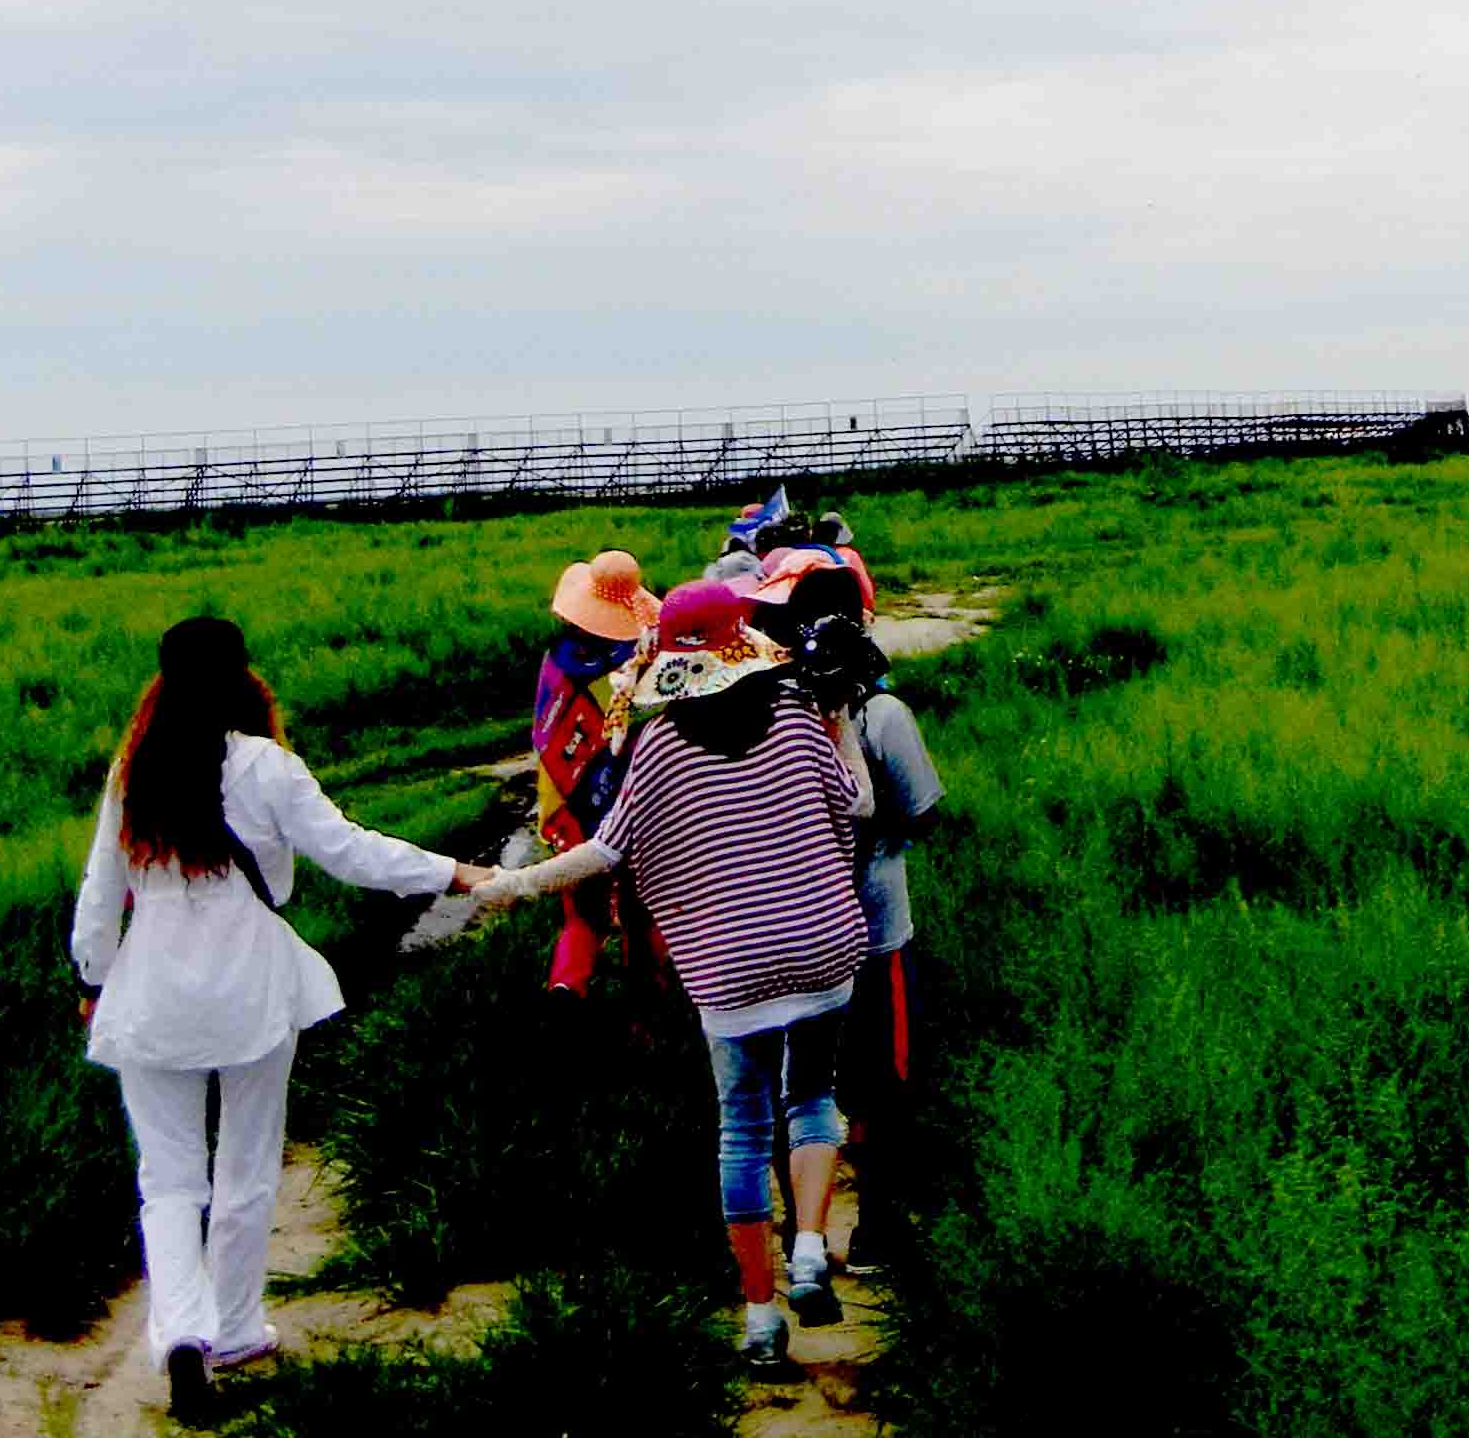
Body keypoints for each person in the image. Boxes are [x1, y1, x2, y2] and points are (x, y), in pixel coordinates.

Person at [450, 581, 873, 1379]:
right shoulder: (795, 719)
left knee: (743, 1130)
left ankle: (758, 1316)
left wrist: (508, 885)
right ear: (742, 643)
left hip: (728, 968)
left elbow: (606, 853)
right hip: (822, 948)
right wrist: (840, 723)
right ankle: (812, 1245)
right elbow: (857, 805)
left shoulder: (660, 747)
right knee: (813, 1098)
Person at [73, 616, 461, 1424]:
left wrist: (94, 979)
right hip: (250, 977)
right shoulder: (266, 766)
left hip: (152, 983)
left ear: (164, 681)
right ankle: (238, 1328)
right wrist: (451, 873)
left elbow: (100, 898)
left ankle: (181, 1334)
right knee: (246, 1166)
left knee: (168, 1179)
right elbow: (350, 852)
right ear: (243, 678)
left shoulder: (131, 771)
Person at [754, 558, 945, 1269]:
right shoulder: (883, 712)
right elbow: (922, 809)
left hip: (791, 928)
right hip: (875, 924)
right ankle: (878, 1231)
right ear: (863, 622)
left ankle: (794, 1227)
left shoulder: (773, 706)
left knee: (795, 1083)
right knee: (883, 1081)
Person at [531, 548, 657, 996]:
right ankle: (647, 1002)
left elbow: (546, 736)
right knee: (643, 908)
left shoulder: (557, 661)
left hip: (568, 801)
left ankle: (567, 987)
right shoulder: (639, 667)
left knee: (582, 913)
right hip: (629, 805)